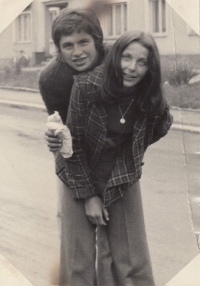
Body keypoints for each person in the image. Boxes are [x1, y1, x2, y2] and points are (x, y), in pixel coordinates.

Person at [63, 30, 173, 286]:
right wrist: (89, 196)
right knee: (79, 261)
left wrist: (129, 155)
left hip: (121, 174)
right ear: (116, 58)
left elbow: (158, 129)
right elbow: (73, 145)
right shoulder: (86, 86)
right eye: (126, 58)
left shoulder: (149, 98)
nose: (132, 68)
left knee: (129, 259)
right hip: (80, 171)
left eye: (142, 62)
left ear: (150, 67)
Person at [39, 8, 115, 286]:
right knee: (76, 245)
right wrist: (86, 194)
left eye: (84, 42)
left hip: (114, 158)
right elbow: (67, 141)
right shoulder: (52, 78)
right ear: (58, 49)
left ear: (98, 40)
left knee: (116, 249)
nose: (78, 52)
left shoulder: (116, 66)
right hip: (74, 157)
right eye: (67, 45)